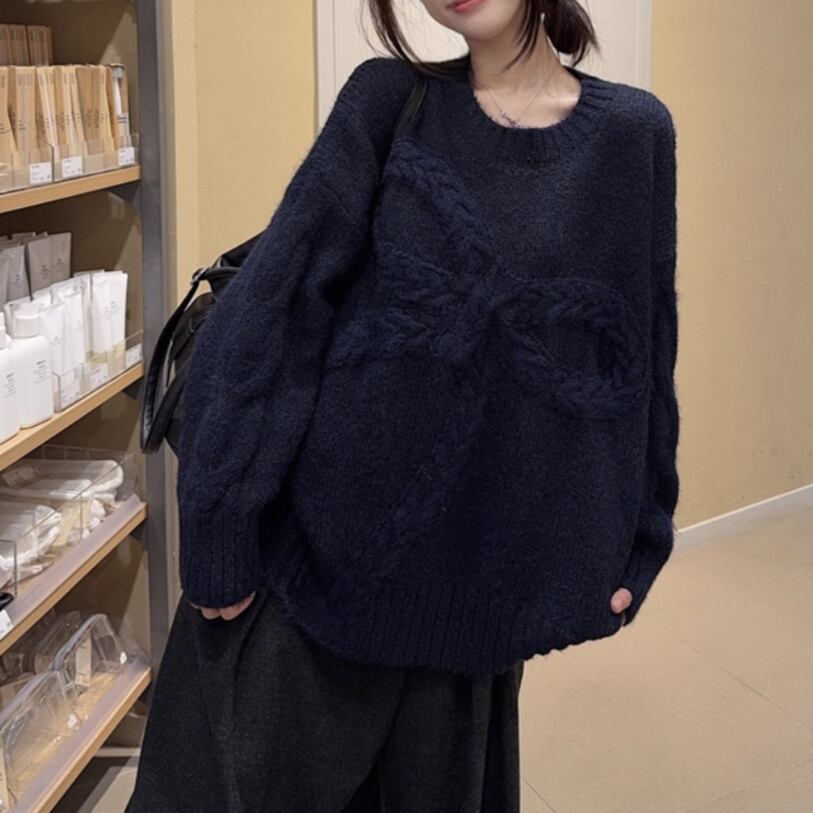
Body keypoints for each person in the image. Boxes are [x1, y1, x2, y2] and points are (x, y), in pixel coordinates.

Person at [126, 0, 680, 810]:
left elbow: (637, 352)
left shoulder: (633, 135)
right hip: (307, 587)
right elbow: (274, 311)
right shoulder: (387, 100)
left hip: (474, 611)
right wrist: (218, 519)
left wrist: (641, 528)